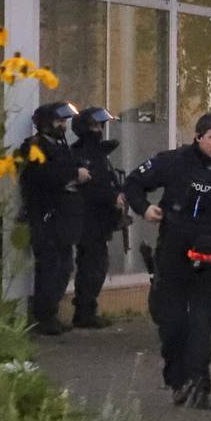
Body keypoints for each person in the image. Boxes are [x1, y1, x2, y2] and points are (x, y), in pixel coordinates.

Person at [124, 113, 211, 411]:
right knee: (171, 323)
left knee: (201, 325)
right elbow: (134, 182)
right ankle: (176, 379)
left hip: (208, 257)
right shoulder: (174, 161)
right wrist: (145, 209)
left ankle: (198, 386)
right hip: (172, 252)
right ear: (198, 137)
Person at [18, 100, 84, 335]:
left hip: (63, 217)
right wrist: (73, 174)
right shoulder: (33, 147)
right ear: (46, 123)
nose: (63, 126)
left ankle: (51, 312)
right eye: (59, 121)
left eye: (65, 121)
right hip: (44, 215)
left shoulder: (61, 146)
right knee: (49, 266)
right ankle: (44, 316)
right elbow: (42, 176)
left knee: (64, 266)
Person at [68, 106, 124, 330]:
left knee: (96, 265)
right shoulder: (81, 154)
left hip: (101, 219)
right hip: (88, 218)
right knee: (92, 266)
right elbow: (92, 188)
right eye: (95, 126)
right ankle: (84, 312)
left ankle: (87, 309)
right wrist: (112, 196)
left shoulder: (98, 154)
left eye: (101, 125)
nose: (100, 130)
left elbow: (107, 179)